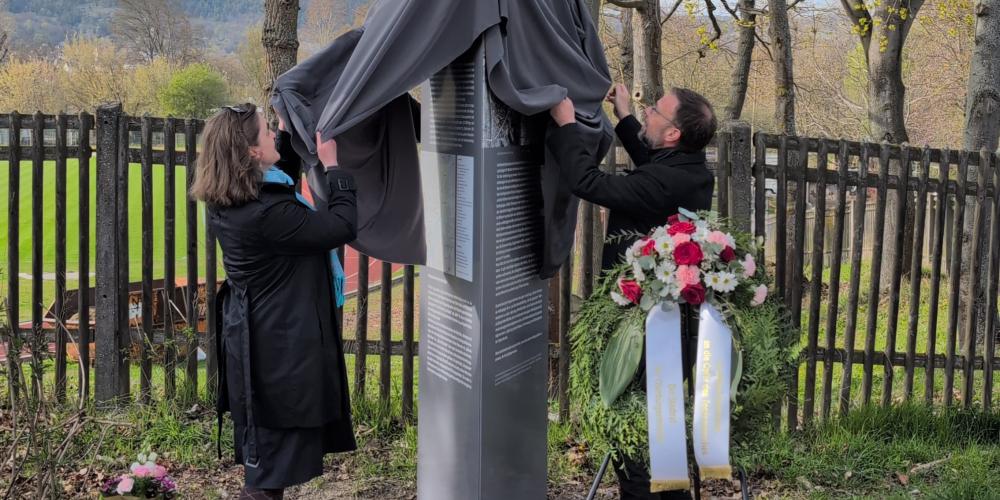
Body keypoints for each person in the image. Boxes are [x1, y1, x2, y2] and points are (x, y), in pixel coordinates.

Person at [547, 84, 718, 500]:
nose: (648, 112)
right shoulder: (692, 171)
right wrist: (623, 115)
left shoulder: (664, 182)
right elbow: (651, 164)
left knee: (631, 431)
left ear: (674, 133)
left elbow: (587, 181)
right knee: (659, 430)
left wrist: (566, 124)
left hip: (642, 333)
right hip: (667, 324)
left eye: (655, 111)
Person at [191, 103, 358, 500]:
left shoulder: (227, 201)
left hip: (256, 336)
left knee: (266, 451)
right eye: (266, 133)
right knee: (267, 471)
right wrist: (336, 170)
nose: (270, 136)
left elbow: (277, 193)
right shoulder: (267, 215)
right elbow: (339, 226)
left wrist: (286, 135)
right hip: (277, 347)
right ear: (250, 152)